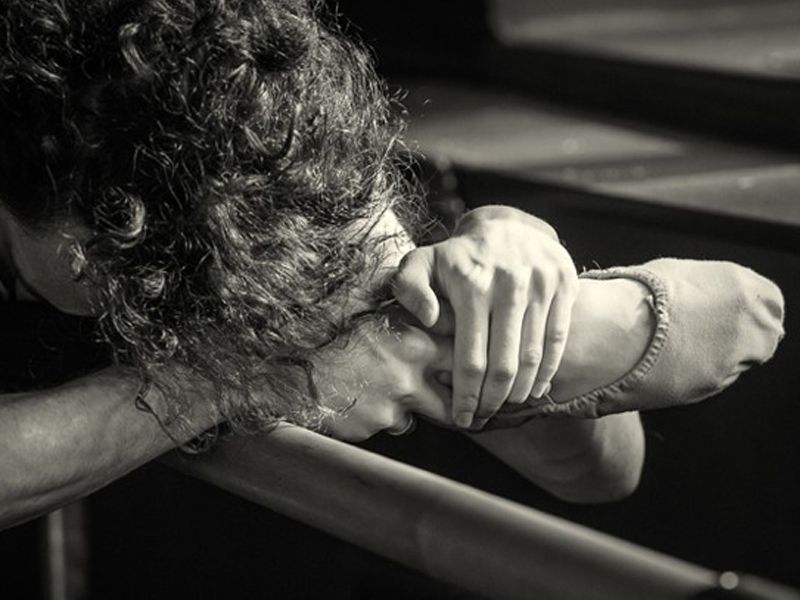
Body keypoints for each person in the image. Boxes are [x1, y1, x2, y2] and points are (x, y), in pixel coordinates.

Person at [0, 0, 784, 529]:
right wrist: (233, 374)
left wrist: (511, 299)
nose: (109, 289)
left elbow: (602, 473)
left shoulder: (269, 176)